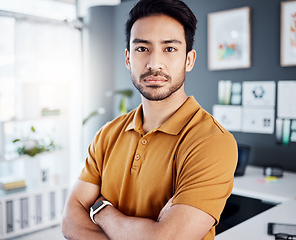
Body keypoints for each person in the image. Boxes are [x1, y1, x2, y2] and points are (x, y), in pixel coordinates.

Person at [62, 0, 237, 239]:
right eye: (142, 49)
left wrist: (101, 210)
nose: (154, 63)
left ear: (189, 59)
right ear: (128, 59)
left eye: (170, 49)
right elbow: (70, 222)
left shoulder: (212, 141)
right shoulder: (107, 134)